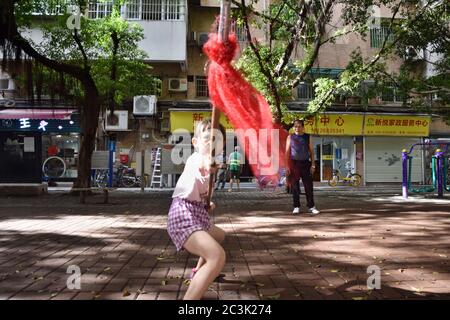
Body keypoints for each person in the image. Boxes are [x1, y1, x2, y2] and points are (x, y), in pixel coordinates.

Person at [167, 119, 226, 300]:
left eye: (218, 140)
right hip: (183, 215)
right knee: (217, 256)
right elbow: (203, 164)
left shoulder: (212, 164)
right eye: (208, 138)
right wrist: (210, 163)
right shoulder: (196, 158)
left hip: (197, 212)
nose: (212, 143)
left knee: (219, 236)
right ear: (195, 142)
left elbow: (201, 191)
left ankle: (200, 271)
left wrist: (207, 204)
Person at [285, 119, 320, 215]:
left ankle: (311, 206)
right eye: (295, 126)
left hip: (305, 163)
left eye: (299, 126)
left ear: (303, 127)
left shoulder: (308, 137)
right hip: (294, 164)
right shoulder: (290, 137)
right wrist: (287, 166)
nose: (297, 128)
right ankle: (296, 206)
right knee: (295, 186)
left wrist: (313, 164)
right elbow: (287, 152)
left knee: (308, 186)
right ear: (293, 127)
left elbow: (312, 152)